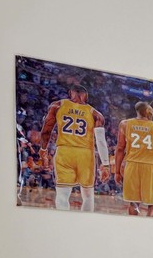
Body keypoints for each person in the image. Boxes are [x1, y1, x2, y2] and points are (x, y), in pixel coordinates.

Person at [39, 83, 107, 212]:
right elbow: (101, 141)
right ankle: (86, 224)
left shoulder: (57, 105)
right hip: (85, 154)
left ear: (71, 93)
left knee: (62, 195)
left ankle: (63, 224)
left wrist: (43, 150)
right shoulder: (96, 114)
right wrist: (105, 164)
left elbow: (46, 131)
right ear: (86, 96)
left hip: (64, 151)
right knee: (88, 195)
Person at [114, 101, 153, 217]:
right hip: (150, 166)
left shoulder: (125, 124)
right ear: (148, 111)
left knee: (134, 203)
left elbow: (119, 149)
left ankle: (133, 227)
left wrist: (117, 171)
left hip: (132, 165)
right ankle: (147, 223)